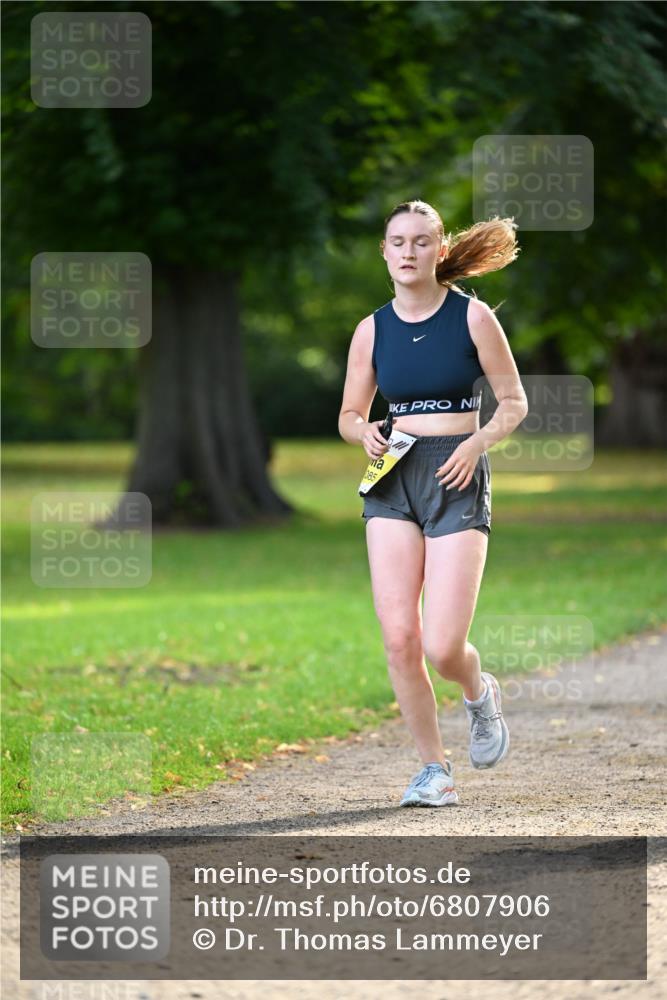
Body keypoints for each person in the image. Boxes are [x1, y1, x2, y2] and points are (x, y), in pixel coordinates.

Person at [338, 200, 528, 807]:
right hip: (393, 478)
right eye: (398, 241)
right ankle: (433, 770)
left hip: (456, 473)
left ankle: (478, 693)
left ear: (440, 250)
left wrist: (477, 442)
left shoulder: (473, 319)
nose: (409, 251)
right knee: (399, 637)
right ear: (384, 252)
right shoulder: (371, 329)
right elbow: (347, 414)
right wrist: (361, 430)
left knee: (443, 646)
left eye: (422, 241)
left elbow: (514, 401)